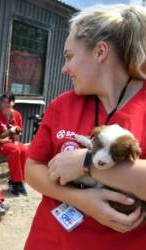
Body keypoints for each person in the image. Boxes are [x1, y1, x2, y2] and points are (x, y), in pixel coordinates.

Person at [25, 4, 146, 250]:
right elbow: (31, 169)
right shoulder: (62, 104)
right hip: (48, 239)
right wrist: (81, 199)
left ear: (100, 52)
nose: (64, 68)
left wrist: (86, 163)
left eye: (69, 56)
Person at [0, 92, 28, 196]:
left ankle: (19, 181)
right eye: (3, 102)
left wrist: (15, 137)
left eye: (8, 102)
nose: (5, 104)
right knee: (15, 150)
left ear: (13, 103)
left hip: (10, 142)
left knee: (24, 149)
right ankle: (15, 182)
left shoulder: (17, 115)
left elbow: (17, 135)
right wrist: (1, 140)